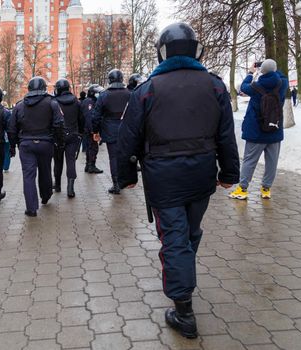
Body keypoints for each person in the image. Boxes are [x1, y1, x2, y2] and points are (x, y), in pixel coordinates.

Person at [118, 22, 240, 339]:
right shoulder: (213, 86)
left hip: (163, 178)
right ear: (195, 50)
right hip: (201, 175)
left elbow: (128, 137)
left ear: (163, 52)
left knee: (175, 239)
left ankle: (183, 310)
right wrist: (229, 174)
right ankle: (182, 270)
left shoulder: (147, 89)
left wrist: (126, 176)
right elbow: (226, 135)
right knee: (188, 232)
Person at [229, 59, 288, 200]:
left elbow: (243, 87)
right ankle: (266, 189)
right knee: (272, 162)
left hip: (256, 132)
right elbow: (282, 76)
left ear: (262, 70)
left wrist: (251, 72)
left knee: (249, 160)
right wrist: (272, 68)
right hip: (274, 129)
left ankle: (242, 189)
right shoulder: (282, 84)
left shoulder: (255, 86)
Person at [8, 77, 64, 217]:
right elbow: (59, 123)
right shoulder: (52, 103)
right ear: (44, 87)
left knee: (28, 176)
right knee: (45, 171)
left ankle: (31, 208)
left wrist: (14, 145)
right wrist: (58, 141)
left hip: (26, 144)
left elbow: (12, 128)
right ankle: (45, 196)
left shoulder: (20, 106)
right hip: (46, 143)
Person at [92, 69, 131, 194]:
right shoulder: (130, 93)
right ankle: (124, 181)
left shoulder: (104, 95)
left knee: (113, 157)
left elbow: (96, 116)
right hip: (127, 129)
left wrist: (95, 131)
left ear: (110, 80)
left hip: (110, 130)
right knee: (125, 156)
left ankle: (116, 184)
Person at [53, 79, 84, 198]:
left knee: (58, 161)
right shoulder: (76, 102)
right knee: (71, 161)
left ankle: (58, 185)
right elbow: (81, 119)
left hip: (58, 136)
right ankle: (70, 189)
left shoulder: (54, 102)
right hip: (73, 134)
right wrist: (80, 133)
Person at [80, 85, 104, 174]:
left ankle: (88, 165)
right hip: (90, 129)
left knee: (90, 147)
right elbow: (89, 117)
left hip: (88, 129)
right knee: (93, 148)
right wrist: (93, 130)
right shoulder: (89, 102)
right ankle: (91, 166)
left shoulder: (91, 101)